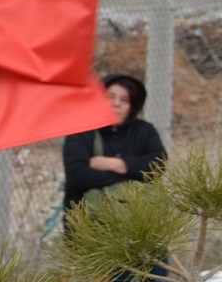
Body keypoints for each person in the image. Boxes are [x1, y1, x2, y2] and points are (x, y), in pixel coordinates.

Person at [64, 74, 166, 213]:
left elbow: (158, 165)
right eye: (110, 97)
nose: (116, 104)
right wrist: (134, 175)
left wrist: (115, 164)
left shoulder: (144, 130)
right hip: (85, 222)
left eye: (125, 100)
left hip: (133, 221)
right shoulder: (81, 130)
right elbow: (78, 176)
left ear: (132, 106)